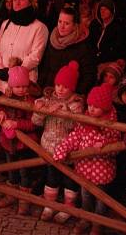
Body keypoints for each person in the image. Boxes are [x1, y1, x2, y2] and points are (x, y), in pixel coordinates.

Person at [53, 83, 121, 235]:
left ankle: (98, 222)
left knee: (100, 198)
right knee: (85, 195)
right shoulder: (85, 118)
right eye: (89, 105)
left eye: (95, 107)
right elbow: (76, 136)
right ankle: (85, 218)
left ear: (104, 107)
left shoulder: (112, 124)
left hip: (102, 170)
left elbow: (115, 147)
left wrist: (103, 142)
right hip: (84, 167)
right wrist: (63, 148)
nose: (91, 109)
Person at [33, 61, 85, 223]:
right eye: (58, 85)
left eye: (65, 86)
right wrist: (43, 110)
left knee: (69, 178)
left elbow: (76, 126)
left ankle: (68, 206)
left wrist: (65, 112)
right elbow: (36, 121)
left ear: (72, 88)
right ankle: (50, 205)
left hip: (69, 151)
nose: (60, 89)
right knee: (51, 177)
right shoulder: (46, 100)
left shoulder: (76, 104)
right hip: (48, 148)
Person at [0, 65, 39, 215]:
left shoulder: (30, 102)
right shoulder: (6, 98)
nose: (21, 89)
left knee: (25, 173)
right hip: (8, 142)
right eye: (17, 86)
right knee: (11, 170)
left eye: (24, 86)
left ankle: (24, 199)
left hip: (24, 144)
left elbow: (34, 123)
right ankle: (11, 195)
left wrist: (17, 124)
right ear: (11, 86)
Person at [0, 0, 49, 93]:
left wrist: (13, 72)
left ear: (30, 2)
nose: (17, 3)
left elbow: (36, 56)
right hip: (0, 83)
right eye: (15, 0)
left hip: (22, 85)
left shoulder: (39, 27)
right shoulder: (6, 23)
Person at [39, 5, 97, 95]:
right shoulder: (52, 40)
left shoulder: (83, 47)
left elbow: (89, 76)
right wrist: (41, 88)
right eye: (60, 21)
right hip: (49, 92)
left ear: (74, 26)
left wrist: (74, 93)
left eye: (66, 23)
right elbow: (45, 68)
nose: (62, 26)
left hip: (70, 97)